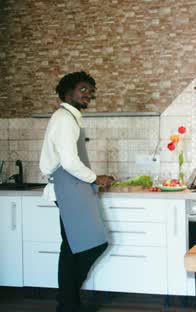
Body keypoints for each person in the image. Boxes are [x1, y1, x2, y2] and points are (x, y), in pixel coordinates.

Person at [40, 71, 114, 312]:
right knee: (93, 245)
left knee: (71, 247)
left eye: (91, 91)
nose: (89, 95)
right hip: (68, 185)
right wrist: (97, 178)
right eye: (83, 89)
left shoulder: (69, 118)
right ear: (67, 91)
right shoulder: (64, 118)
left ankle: (68, 302)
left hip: (71, 186)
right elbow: (70, 162)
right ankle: (69, 300)